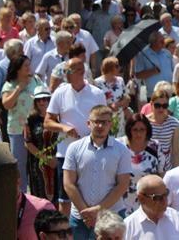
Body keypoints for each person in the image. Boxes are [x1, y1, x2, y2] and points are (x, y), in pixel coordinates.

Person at [45, 57, 107, 215]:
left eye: (69, 71)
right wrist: (64, 128)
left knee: (91, 197)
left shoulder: (97, 93)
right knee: (64, 200)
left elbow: (106, 120)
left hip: (92, 152)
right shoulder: (60, 92)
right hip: (65, 153)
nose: (65, 74)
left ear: (81, 71)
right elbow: (48, 122)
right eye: (65, 71)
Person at [63, 105, 132, 239]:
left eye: (104, 122)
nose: (100, 126)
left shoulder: (122, 150)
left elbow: (122, 185)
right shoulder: (74, 148)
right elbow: (68, 184)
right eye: (96, 122)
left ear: (110, 124)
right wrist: (86, 212)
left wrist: (98, 210)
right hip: (80, 218)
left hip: (111, 218)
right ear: (89, 123)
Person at [2, 54, 44, 192]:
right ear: (18, 69)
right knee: (19, 165)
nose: (29, 68)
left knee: (37, 164)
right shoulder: (10, 84)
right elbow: (7, 104)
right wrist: (18, 89)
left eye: (29, 64)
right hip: (17, 130)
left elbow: (45, 97)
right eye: (25, 65)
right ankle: (21, 196)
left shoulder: (36, 81)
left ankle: (38, 194)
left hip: (35, 129)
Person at [118, 113, 162, 215]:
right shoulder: (118, 145)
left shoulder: (155, 146)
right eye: (135, 130)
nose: (139, 134)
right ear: (129, 130)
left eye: (142, 130)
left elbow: (161, 174)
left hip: (147, 201)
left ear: (147, 130)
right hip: (120, 203)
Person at [123, 174, 179, 238]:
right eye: (157, 197)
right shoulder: (128, 227)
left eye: (166, 194)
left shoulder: (176, 217)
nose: (164, 201)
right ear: (141, 198)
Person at [25, 86, 57, 200]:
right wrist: (45, 159)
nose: (42, 102)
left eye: (45, 99)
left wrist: (55, 160)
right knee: (40, 196)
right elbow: (28, 143)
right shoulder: (30, 119)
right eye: (39, 99)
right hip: (38, 162)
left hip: (56, 162)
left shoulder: (57, 118)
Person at [146, 88, 179, 172]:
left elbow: (175, 152)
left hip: (166, 168)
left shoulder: (174, 123)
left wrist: (175, 172)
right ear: (151, 104)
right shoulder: (144, 122)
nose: (161, 109)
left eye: (164, 106)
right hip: (147, 166)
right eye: (157, 105)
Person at [94, 57, 130, 138]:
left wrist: (118, 104)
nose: (119, 68)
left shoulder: (120, 80)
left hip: (119, 117)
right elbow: (95, 102)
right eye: (116, 66)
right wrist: (109, 107)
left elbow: (127, 97)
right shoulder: (97, 82)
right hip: (104, 118)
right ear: (109, 68)